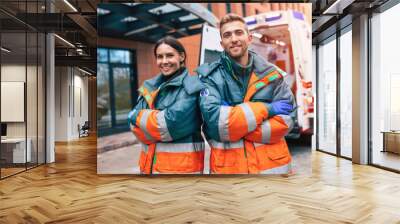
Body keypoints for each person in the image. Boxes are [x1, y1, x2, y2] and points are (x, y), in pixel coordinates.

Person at [197, 13, 296, 174]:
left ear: (249, 38)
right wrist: (267, 109)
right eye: (227, 35)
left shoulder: (271, 74)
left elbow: (287, 121)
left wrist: (234, 122)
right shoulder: (209, 78)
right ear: (222, 43)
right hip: (231, 172)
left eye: (238, 32)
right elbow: (215, 125)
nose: (234, 39)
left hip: (272, 170)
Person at [128, 36, 205, 174]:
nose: (164, 61)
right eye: (159, 57)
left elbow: (168, 126)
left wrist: (137, 117)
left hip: (181, 170)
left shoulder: (192, 87)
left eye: (169, 55)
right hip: (148, 167)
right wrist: (152, 124)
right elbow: (134, 127)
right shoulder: (149, 86)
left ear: (181, 56)